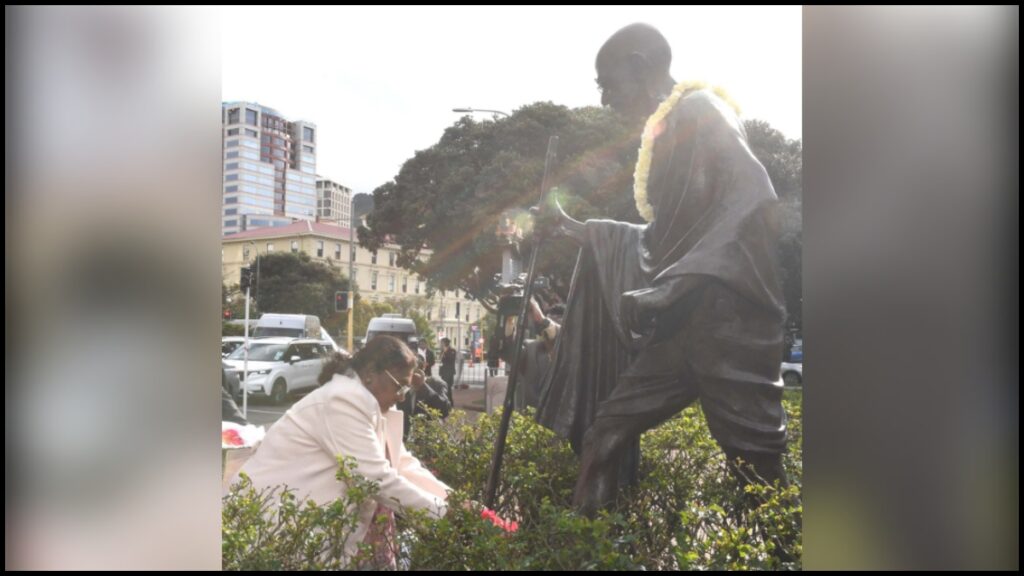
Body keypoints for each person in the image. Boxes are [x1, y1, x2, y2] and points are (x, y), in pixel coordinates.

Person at [536, 23, 789, 516]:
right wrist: (570, 228)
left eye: (607, 84)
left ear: (639, 64)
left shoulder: (701, 111)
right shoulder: (669, 129)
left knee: (758, 474)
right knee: (604, 436)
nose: (607, 100)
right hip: (680, 329)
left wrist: (671, 288)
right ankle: (582, 553)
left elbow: (753, 200)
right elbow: (658, 239)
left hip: (728, 325)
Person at [232, 336, 451, 565]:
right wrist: (445, 514)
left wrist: (456, 503)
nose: (403, 395)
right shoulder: (343, 400)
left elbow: (401, 463)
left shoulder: (367, 400)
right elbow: (375, 479)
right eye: (400, 385)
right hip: (283, 526)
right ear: (370, 375)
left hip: (334, 531)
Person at [397, 356, 452, 440]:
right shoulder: (403, 388)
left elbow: (445, 410)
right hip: (404, 440)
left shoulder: (437, 384)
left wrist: (423, 386)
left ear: (423, 368)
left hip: (429, 441)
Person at [438, 337, 456, 402]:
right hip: (443, 372)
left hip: (449, 372)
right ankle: (446, 401)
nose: (440, 344)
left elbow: (450, 360)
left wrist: (445, 352)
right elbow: (441, 359)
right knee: (444, 387)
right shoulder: (442, 351)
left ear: (445, 343)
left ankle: (450, 402)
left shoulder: (452, 350)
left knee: (448, 388)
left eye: (442, 343)